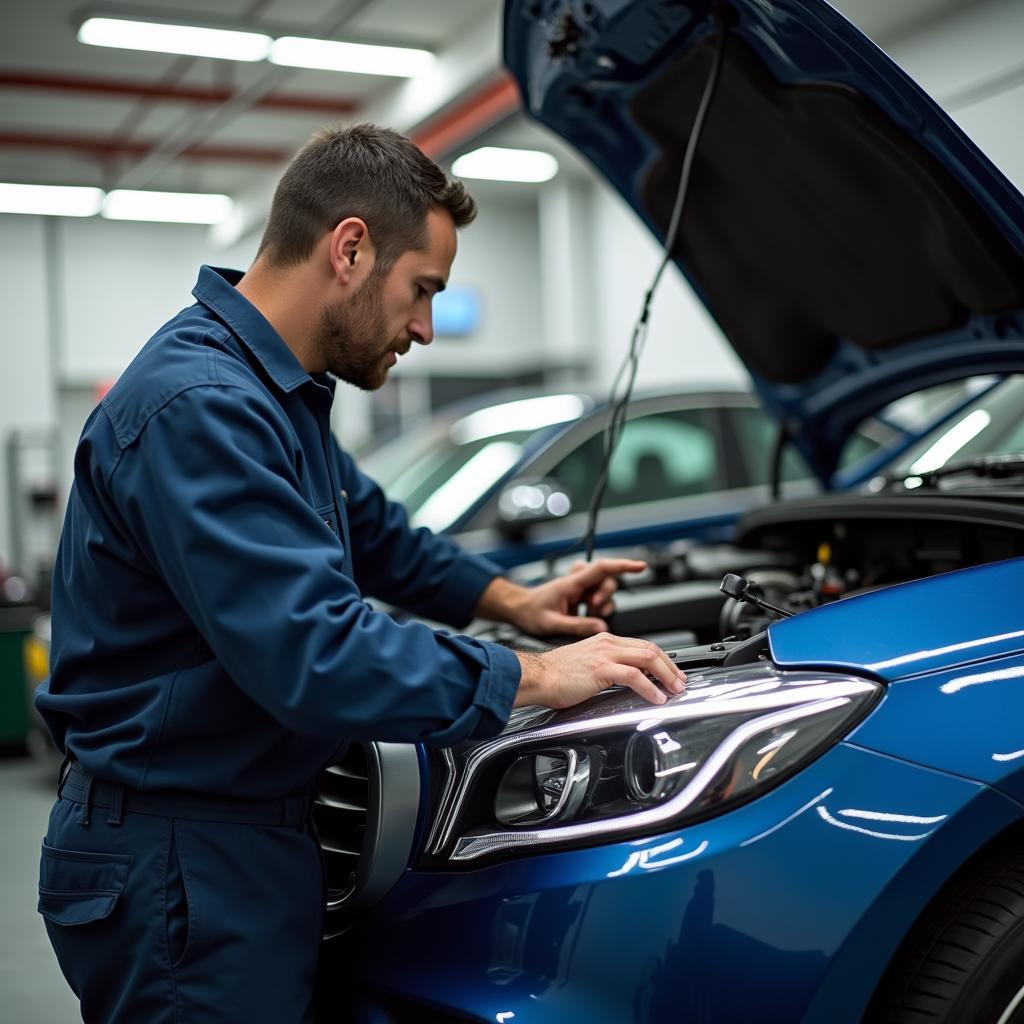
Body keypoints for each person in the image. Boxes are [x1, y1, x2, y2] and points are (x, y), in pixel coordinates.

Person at [35, 123, 687, 1023]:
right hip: (181, 856)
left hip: (237, 838)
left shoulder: (273, 392)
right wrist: (535, 678)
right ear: (350, 249)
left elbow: (371, 530)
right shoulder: (203, 406)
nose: (424, 327)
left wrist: (515, 604)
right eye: (422, 291)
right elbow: (315, 655)